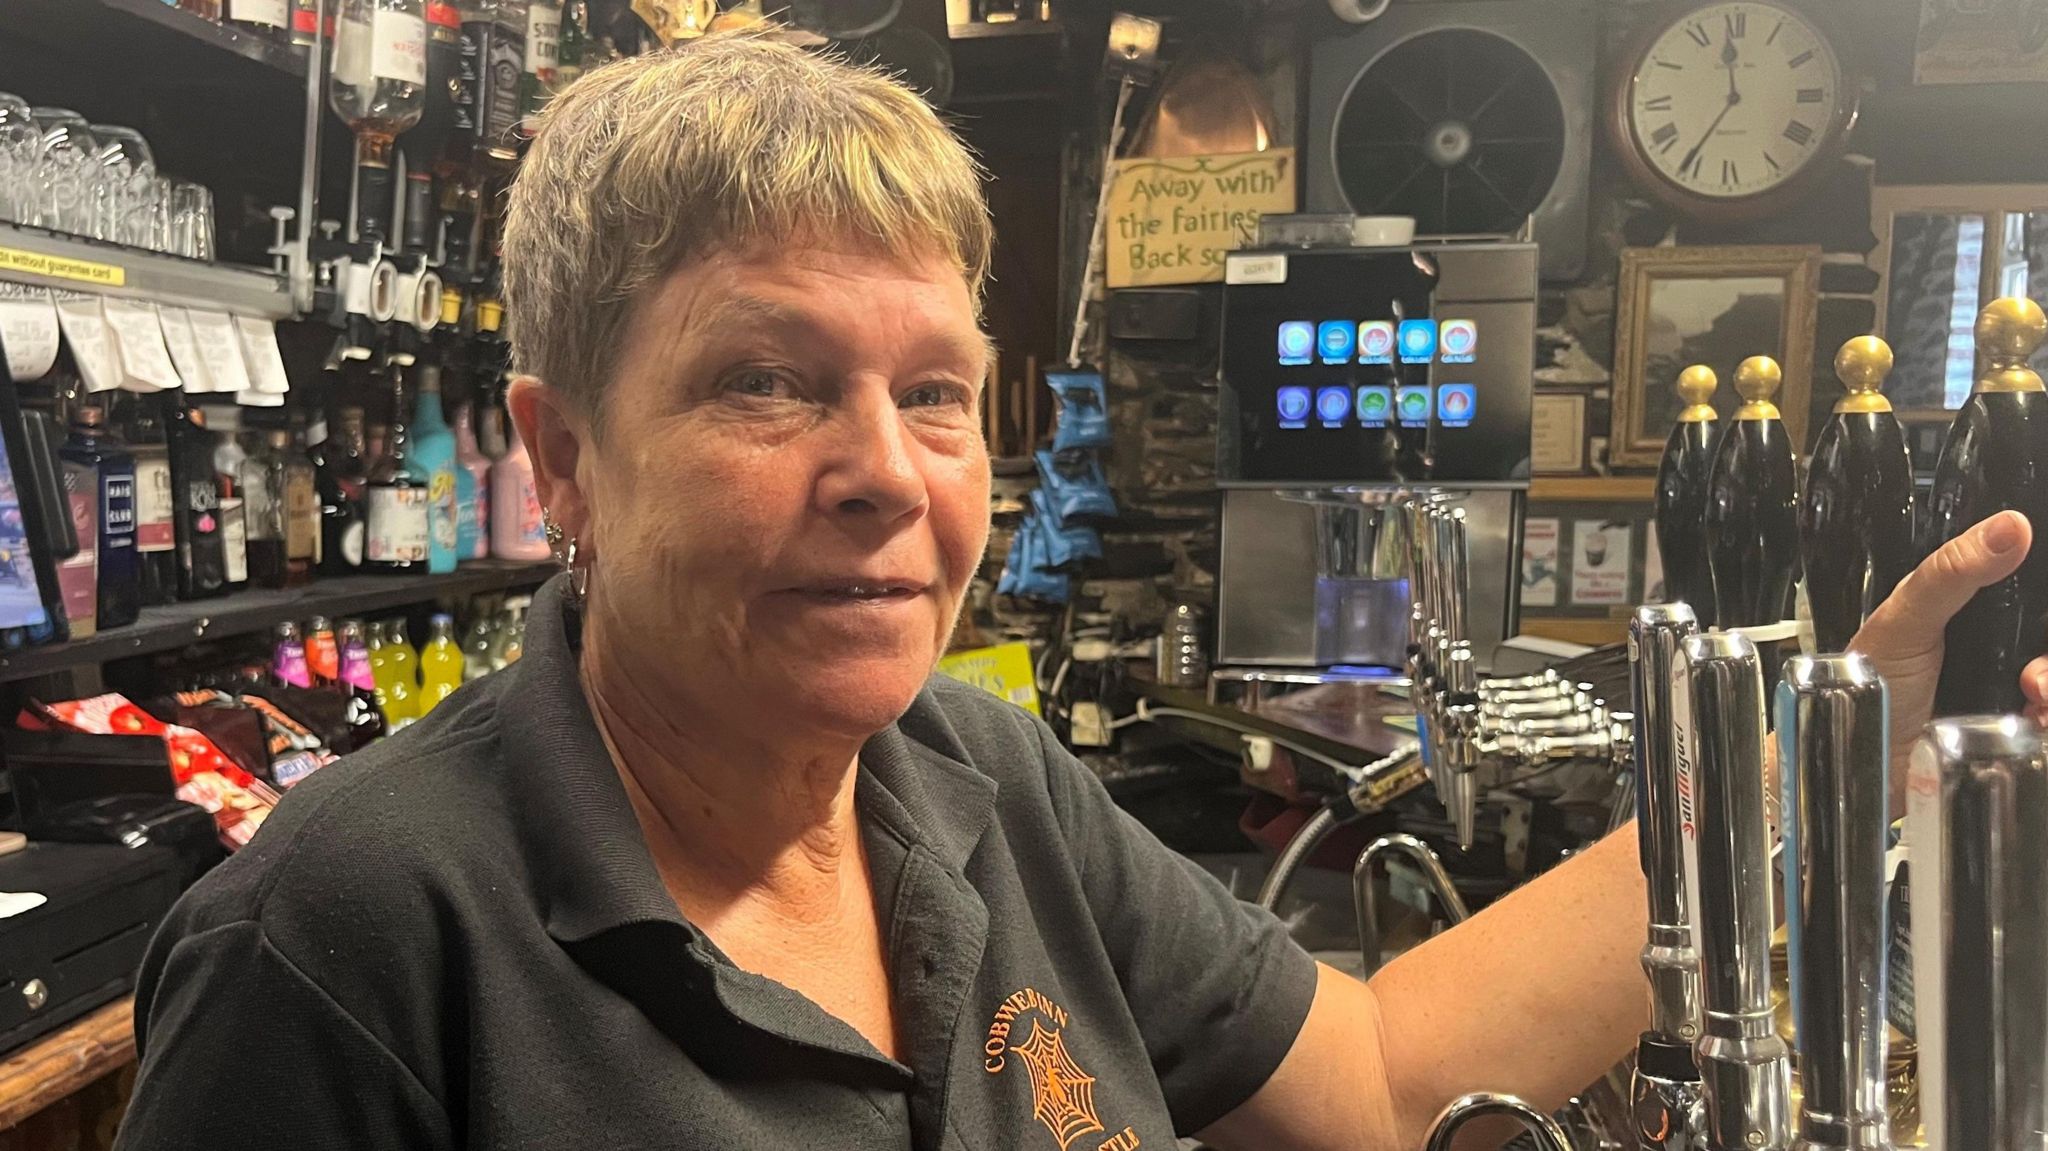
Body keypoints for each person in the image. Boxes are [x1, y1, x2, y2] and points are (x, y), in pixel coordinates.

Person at [115, 34, 2048, 1150]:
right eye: (765, 379)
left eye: (938, 391)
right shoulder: (350, 945)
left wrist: (1831, 768)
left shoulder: (968, 776)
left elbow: (1375, 1077)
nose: (887, 467)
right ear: (562, 458)